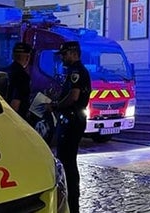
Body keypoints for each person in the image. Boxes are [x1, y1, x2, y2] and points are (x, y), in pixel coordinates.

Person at [49, 40, 90, 213]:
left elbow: (73, 96)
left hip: (72, 119)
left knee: (68, 161)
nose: (63, 58)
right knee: (66, 159)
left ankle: (72, 200)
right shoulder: (74, 71)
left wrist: (57, 105)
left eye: (65, 54)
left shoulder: (77, 72)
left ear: (74, 53)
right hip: (72, 119)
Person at [7, 42, 32, 119]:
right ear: (28, 58)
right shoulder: (23, 76)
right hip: (16, 119)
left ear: (12, 56)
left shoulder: (6, 71)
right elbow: (15, 103)